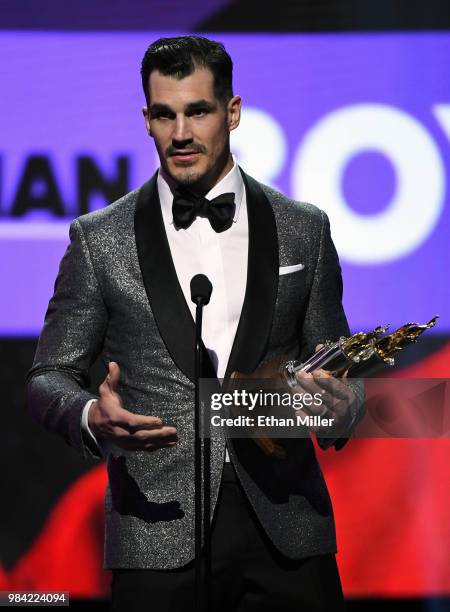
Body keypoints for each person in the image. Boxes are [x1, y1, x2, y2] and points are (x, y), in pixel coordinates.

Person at [27, 35, 362, 611]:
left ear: (231, 112)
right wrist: (89, 415)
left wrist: (342, 405)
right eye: (165, 114)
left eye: (198, 111)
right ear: (147, 120)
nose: (180, 132)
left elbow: (341, 373)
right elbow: (47, 377)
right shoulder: (99, 239)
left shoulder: (305, 228)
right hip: (156, 528)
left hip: (287, 528)